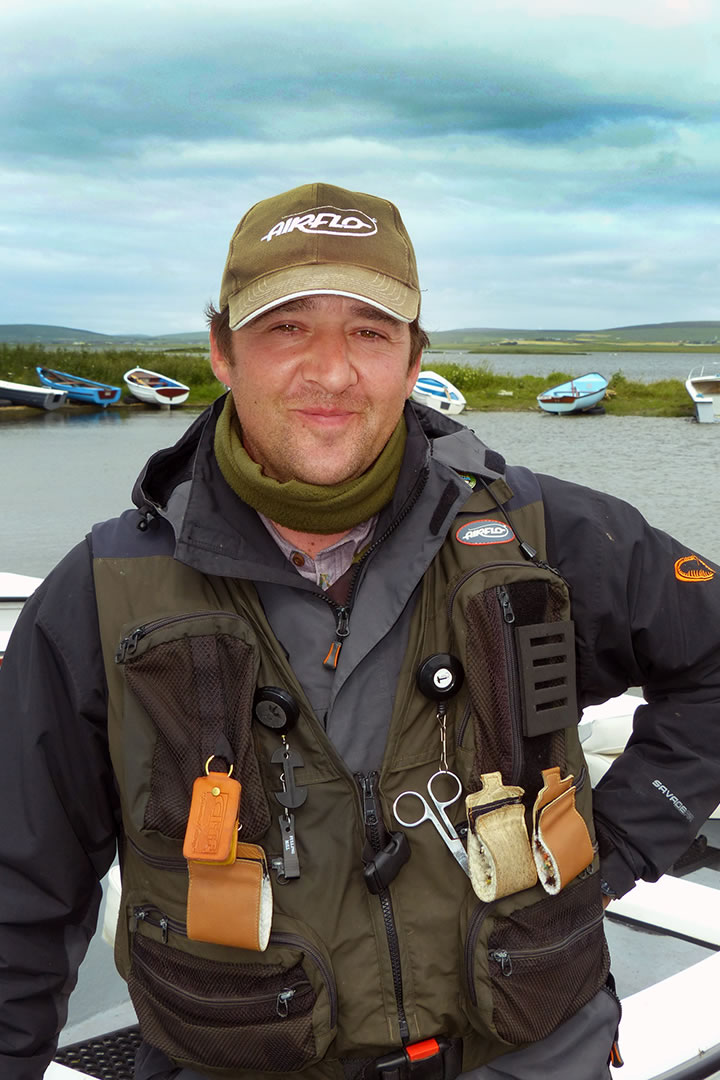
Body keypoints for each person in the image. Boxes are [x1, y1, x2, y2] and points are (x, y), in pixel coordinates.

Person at [1, 181, 719, 1080]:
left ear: (414, 357)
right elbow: (18, 892)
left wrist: (617, 850)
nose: (332, 371)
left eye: (370, 332)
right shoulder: (101, 593)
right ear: (222, 351)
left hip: (538, 1050)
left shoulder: (548, 534)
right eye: (287, 327)